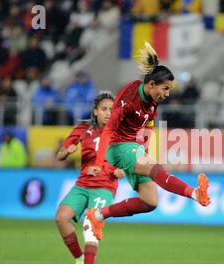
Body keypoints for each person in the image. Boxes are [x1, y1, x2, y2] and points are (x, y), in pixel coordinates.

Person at [85, 42, 211, 241]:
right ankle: (195, 193)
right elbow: (108, 130)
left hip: (133, 148)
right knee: (156, 168)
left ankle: (97, 216)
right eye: (165, 88)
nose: (167, 94)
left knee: (150, 202)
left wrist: (143, 150)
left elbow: (149, 125)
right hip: (117, 146)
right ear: (152, 84)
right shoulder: (131, 95)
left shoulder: (153, 101)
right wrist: (100, 162)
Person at [54, 91, 124, 264]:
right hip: (83, 183)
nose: (108, 113)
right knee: (61, 218)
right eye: (104, 109)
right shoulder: (83, 128)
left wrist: (122, 170)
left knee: (90, 224)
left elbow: (131, 157)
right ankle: (79, 260)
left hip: (104, 186)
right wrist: (67, 152)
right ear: (95, 111)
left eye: (112, 109)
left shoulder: (121, 132)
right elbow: (59, 155)